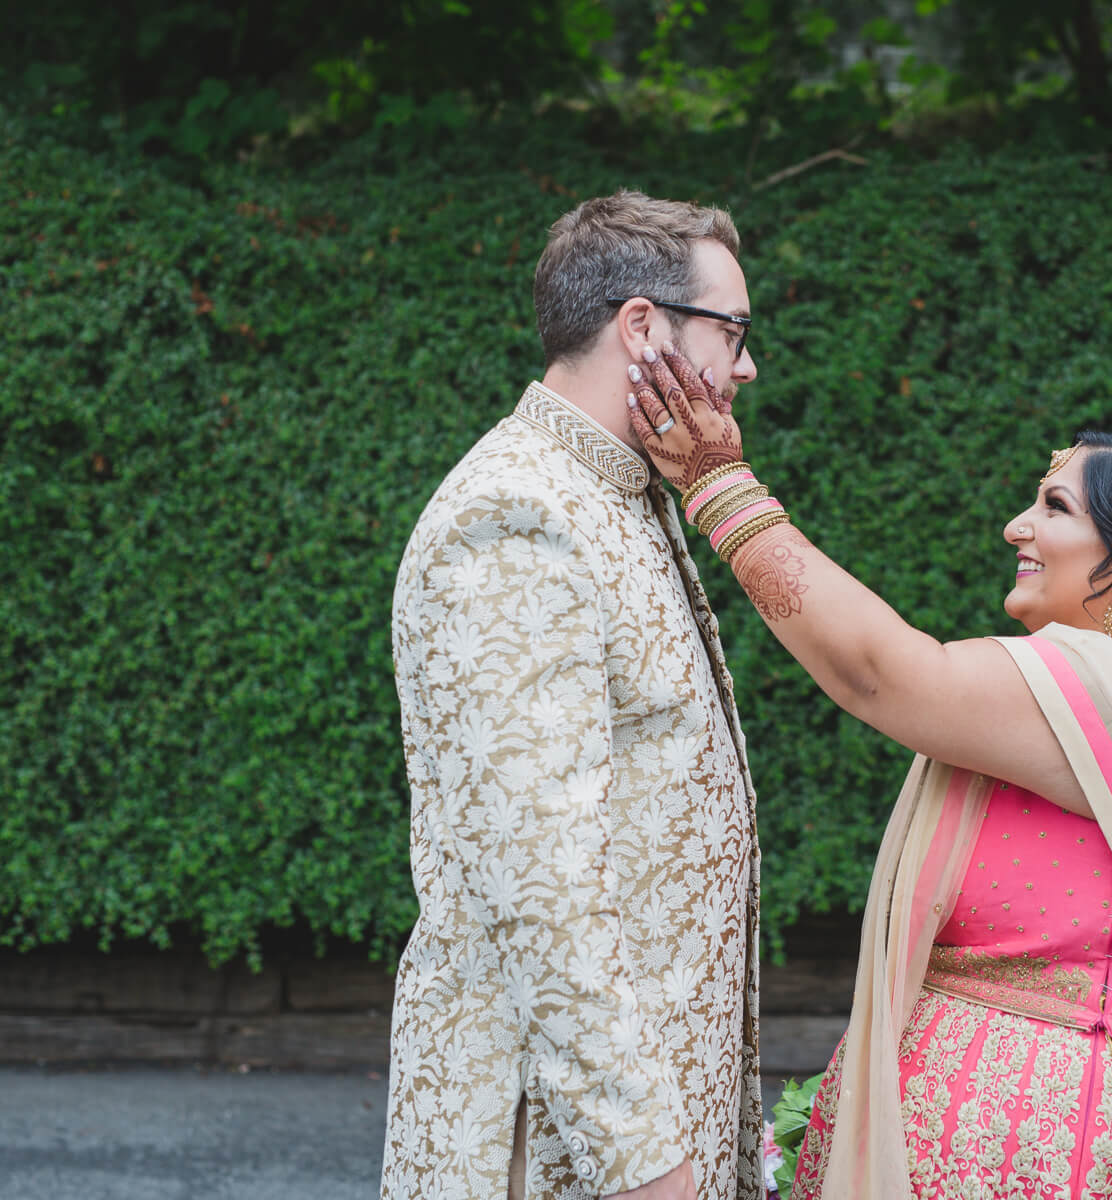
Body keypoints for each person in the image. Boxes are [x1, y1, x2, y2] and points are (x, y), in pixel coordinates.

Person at [621, 356, 1112, 1200]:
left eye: (1054, 508)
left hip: (1026, 1134)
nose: (1017, 526)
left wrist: (721, 487)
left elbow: (882, 676)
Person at [382, 191, 767, 1200]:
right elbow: (539, 885)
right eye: (733, 332)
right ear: (641, 326)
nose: (747, 366)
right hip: (554, 1155)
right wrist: (650, 1170)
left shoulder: (614, 489)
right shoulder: (515, 514)